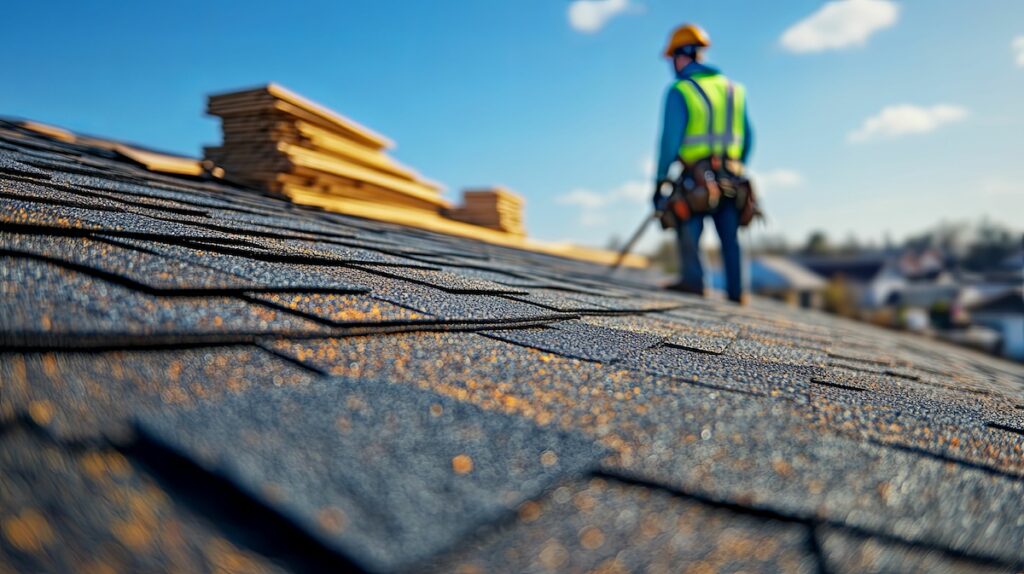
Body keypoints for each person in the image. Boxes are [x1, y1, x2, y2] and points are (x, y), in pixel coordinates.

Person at [653, 23, 753, 303]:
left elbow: (669, 141)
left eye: (673, 58)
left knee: (688, 220)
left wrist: (660, 180)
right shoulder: (735, 90)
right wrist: (736, 165)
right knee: (730, 234)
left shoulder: (681, 90)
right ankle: (737, 291)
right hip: (732, 177)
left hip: (696, 178)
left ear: (681, 56)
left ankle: (693, 280)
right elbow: (749, 137)